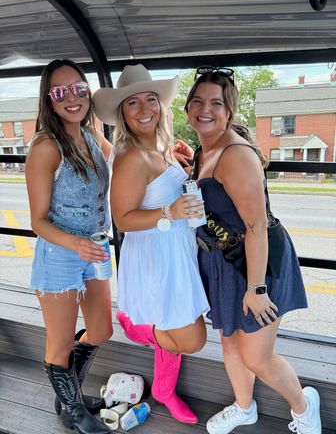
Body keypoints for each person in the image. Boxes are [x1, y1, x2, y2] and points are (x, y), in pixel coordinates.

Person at [184, 66, 322, 434]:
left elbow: (256, 226)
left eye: (215, 102)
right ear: (187, 108)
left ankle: (304, 408)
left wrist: (257, 288)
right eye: (197, 101)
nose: (205, 109)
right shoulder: (204, 149)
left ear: (229, 110)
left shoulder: (235, 154)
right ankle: (244, 407)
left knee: (257, 356)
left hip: (257, 263)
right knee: (230, 342)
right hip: (221, 262)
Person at [93, 64, 210, 424]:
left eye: (151, 99)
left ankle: (163, 390)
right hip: (155, 256)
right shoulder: (130, 156)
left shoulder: (160, 145)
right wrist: (170, 211)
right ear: (122, 113)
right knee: (191, 339)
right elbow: (124, 218)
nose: (145, 109)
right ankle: (132, 322)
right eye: (133, 103)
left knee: (178, 326)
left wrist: (187, 171)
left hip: (176, 249)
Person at [25, 59, 113, 434]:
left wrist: (163, 155)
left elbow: (120, 157)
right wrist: (75, 243)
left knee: (102, 329)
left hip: (94, 247)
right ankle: (74, 412)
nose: (73, 98)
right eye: (61, 92)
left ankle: (69, 394)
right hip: (61, 254)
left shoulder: (91, 130)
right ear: (50, 98)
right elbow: (38, 222)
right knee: (59, 344)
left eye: (79, 88)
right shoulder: (46, 147)